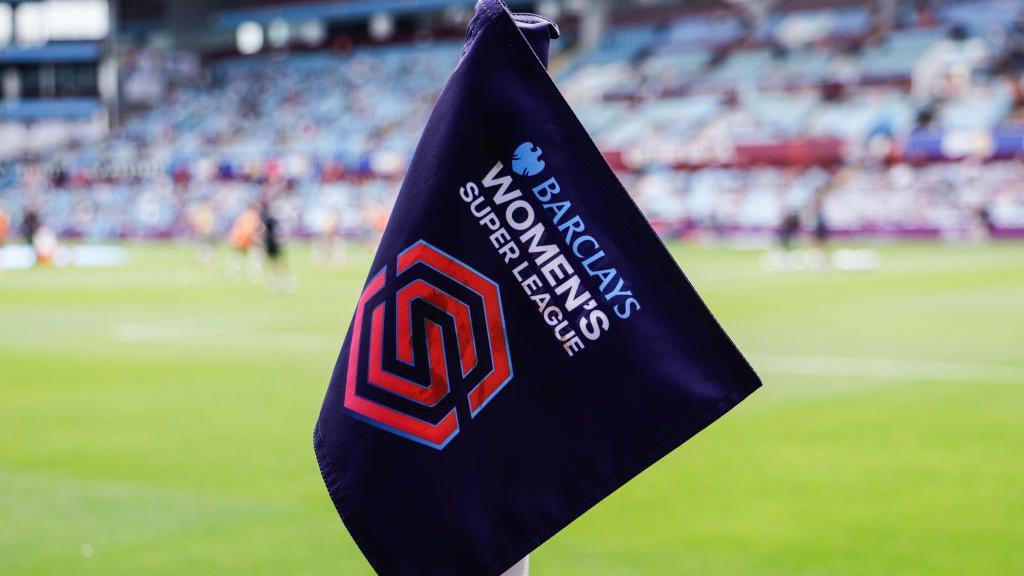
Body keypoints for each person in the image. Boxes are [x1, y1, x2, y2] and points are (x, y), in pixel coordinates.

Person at [260, 199, 296, 293]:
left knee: (275, 262)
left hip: (271, 243)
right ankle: (283, 280)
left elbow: (263, 231)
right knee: (277, 262)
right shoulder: (272, 220)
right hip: (273, 243)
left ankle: (281, 280)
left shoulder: (268, 219)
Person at [227, 203, 262, 281]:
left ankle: (232, 274)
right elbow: (250, 229)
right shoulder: (254, 216)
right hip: (247, 239)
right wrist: (256, 239)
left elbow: (236, 228)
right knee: (255, 257)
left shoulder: (242, 215)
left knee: (237, 258)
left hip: (238, 239)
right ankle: (253, 275)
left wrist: (233, 238)